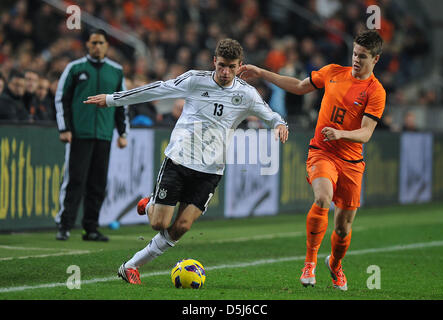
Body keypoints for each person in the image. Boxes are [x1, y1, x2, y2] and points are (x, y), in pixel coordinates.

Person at [84, 38, 289, 284]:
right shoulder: (195, 80)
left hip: (211, 171)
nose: (225, 72)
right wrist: (111, 99)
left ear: (240, 66)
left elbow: (271, 115)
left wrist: (279, 125)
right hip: (179, 160)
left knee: (181, 227)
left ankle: (131, 266)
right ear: (214, 61)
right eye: (221, 65)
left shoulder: (246, 94)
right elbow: (155, 89)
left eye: (231, 67)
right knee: (158, 223)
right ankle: (151, 203)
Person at [239, 30, 386, 291]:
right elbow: (298, 86)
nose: (356, 60)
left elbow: (366, 133)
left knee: (342, 228)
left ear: (375, 59)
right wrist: (262, 73)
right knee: (322, 198)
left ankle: (335, 264)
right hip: (322, 152)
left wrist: (341, 133)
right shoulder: (332, 72)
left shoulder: (376, 92)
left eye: (362, 57)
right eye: (354, 53)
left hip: (351, 162)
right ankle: (309, 264)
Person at [54, 29, 129, 241]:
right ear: (87, 44)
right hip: (80, 134)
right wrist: (65, 128)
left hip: (104, 135)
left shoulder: (116, 71)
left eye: (101, 43)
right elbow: (62, 99)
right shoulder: (75, 68)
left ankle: (91, 228)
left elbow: (121, 103)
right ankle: (64, 224)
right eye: (94, 42)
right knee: (75, 180)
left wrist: (122, 132)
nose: (97, 46)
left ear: (107, 46)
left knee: (97, 183)